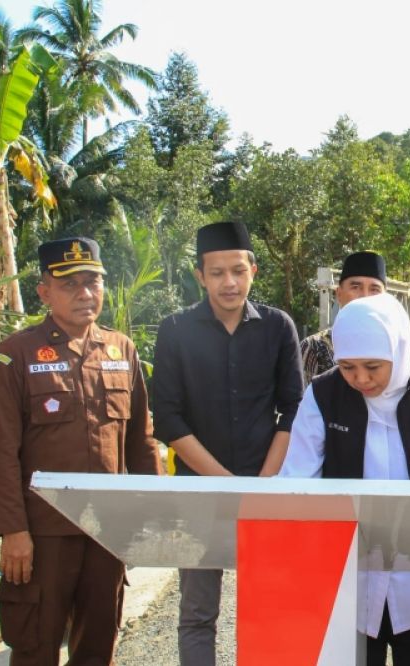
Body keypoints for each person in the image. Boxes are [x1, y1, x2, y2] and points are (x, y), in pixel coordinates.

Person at [279, 293, 410, 665]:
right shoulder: (324, 394)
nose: (360, 379)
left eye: (372, 366)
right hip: (349, 581)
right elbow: (298, 479)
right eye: (348, 367)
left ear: (399, 348)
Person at [0, 237, 162, 665]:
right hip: (42, 535)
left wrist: (149, 516)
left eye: (93, 282)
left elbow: (142, 443)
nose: (85, 294)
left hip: (107, 531)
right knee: (36, 646)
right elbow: (1, 452)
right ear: (44, 291)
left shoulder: (120, 349)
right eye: (70, 284)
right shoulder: (15, 355)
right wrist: (13, 532)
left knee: (97, 647)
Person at [152, 221, 304, 665]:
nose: (229, 282)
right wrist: (223, 482)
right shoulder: (176, 330)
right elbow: (168, 416)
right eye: (216, 273)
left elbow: (293, 407)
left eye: (237, 270)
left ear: (253, 270)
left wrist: (262, 482)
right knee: (198, 610)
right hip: (199, 491)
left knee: (270, 604)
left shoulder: (278, 327)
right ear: (200, 276)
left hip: (267, 487)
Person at [299, 251, 387, 383]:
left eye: (374, 289)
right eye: (356, 287)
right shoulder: (314, 347)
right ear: (339, 294)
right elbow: (301, 400)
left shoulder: (397, 345)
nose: (365, 296)